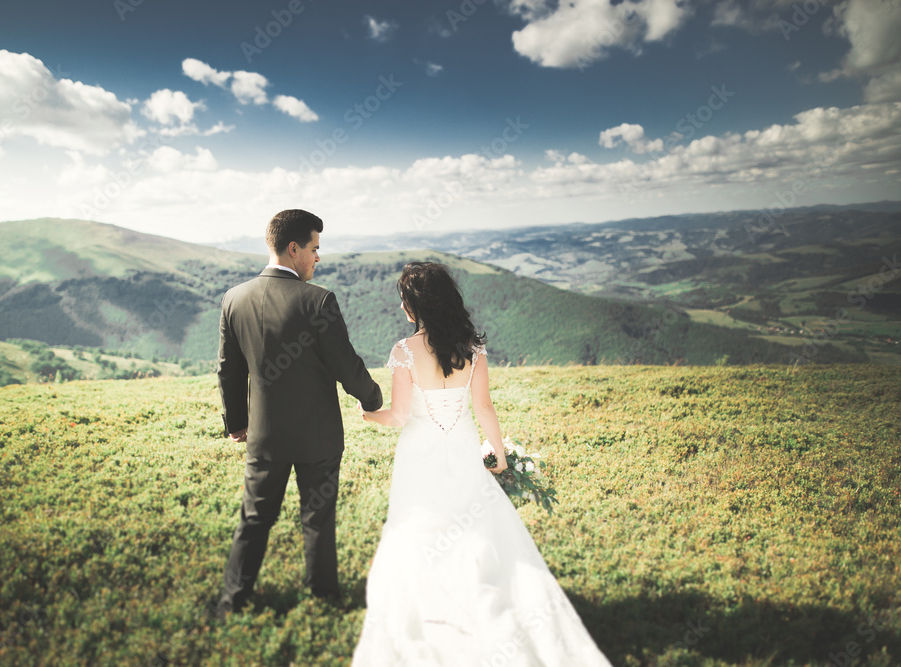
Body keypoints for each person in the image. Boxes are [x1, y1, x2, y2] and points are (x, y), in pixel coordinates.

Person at [351, 261, 611, 666]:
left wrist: (369, 415)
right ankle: (477, 589)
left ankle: (432, 597)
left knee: (418, 523)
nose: (402, 305)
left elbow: (400, 416)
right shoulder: (472, 348)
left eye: (404, 299)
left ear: (413, 305)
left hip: (418, 453)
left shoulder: (404, 352)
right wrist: (499, 452)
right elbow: (484, 406)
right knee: (468, 522)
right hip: (461, 444)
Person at [214, 209, 383, 617]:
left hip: (265, 436)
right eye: (314, 248)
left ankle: (231, 601)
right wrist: (373, 398)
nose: (317, 258)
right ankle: (323, 598)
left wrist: (237, 422)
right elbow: (346, 365)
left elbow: (228, 368)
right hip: (318, 439)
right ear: (293, 249)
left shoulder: (234, 299)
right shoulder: (318, 301)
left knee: (254, 519)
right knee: (317, 519)